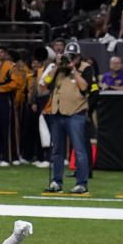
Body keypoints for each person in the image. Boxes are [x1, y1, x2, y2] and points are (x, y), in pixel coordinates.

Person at [41, 40, 94, 194]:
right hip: (57, 114)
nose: (70, 60)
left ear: (78, 57)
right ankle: (56, 182)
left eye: (73, 57)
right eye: (68, 57)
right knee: (57, 151)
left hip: (75, 114)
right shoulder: (59, 69)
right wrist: (57, 66)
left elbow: (85, 87)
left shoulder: (86, 68)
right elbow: (46, 82)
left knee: (79, 150)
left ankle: (81, 183)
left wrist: (73, 70)